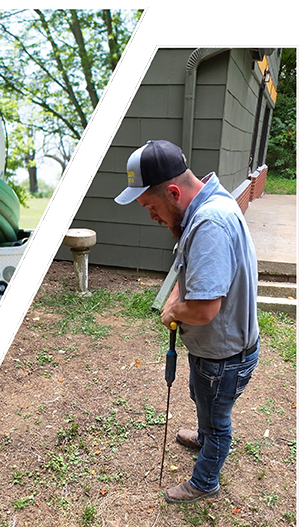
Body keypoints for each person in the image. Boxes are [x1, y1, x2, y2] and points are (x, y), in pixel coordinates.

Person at [114, 139, 259, 504]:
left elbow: (206, 308)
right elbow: (192, 270)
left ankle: (205, 481)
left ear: (174, 192)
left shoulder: (209, 223)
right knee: (203, 397)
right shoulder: (210, 201)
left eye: (151, 206)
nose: (152, 217)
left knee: (217, 419)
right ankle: (204, 435)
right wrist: (179, 294)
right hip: (216, 350)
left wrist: (174, 310)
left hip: (223, 356)